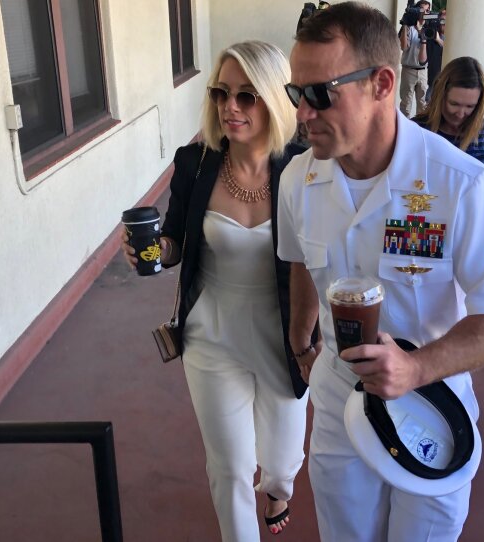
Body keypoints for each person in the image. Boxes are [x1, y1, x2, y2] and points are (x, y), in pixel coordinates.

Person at [278, 3, 484, 541]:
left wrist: (415, 370)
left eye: (320, 93)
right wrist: (302, 343)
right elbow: (300, 260)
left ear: (382, 83)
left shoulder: (460, 184)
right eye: (295, 94)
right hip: (337, 404)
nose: (303, 113)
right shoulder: (297, 179)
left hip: (432, 406)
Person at [121, 41, 308, 541]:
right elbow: (176, 241)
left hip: (283, 333)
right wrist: (152, 251)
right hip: (212, 334)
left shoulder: (304, 169)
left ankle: (280, 488)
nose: (231, 107)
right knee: (229, 466)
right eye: (222, 93)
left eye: (247, 96)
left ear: (273, 99)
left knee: (283, 458)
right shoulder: (196, 163)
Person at [413, 56, 484, 167]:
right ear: (440, 96)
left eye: (470, 106)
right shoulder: (416, 129)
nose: (460, 114)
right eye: (454, 104)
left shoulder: (482, 129)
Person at [398, 0, 431, 117]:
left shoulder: (430, 28)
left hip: (423, 71)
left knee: (423, 106)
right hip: (408, 70)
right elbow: (404, 47)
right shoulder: (409, 27)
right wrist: (405, 25)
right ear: (417, 10)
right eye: (422, 9)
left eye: (427, 10)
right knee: (405, 105)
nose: (425, 12)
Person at [424, 10, 446, 103]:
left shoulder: (450, 36)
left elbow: (450, 48)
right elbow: (423, 60)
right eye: (441, 20)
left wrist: (438, 40)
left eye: (445, 21)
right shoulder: (431, 35)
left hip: (446, 81)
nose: (443, 24)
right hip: (433, 81)